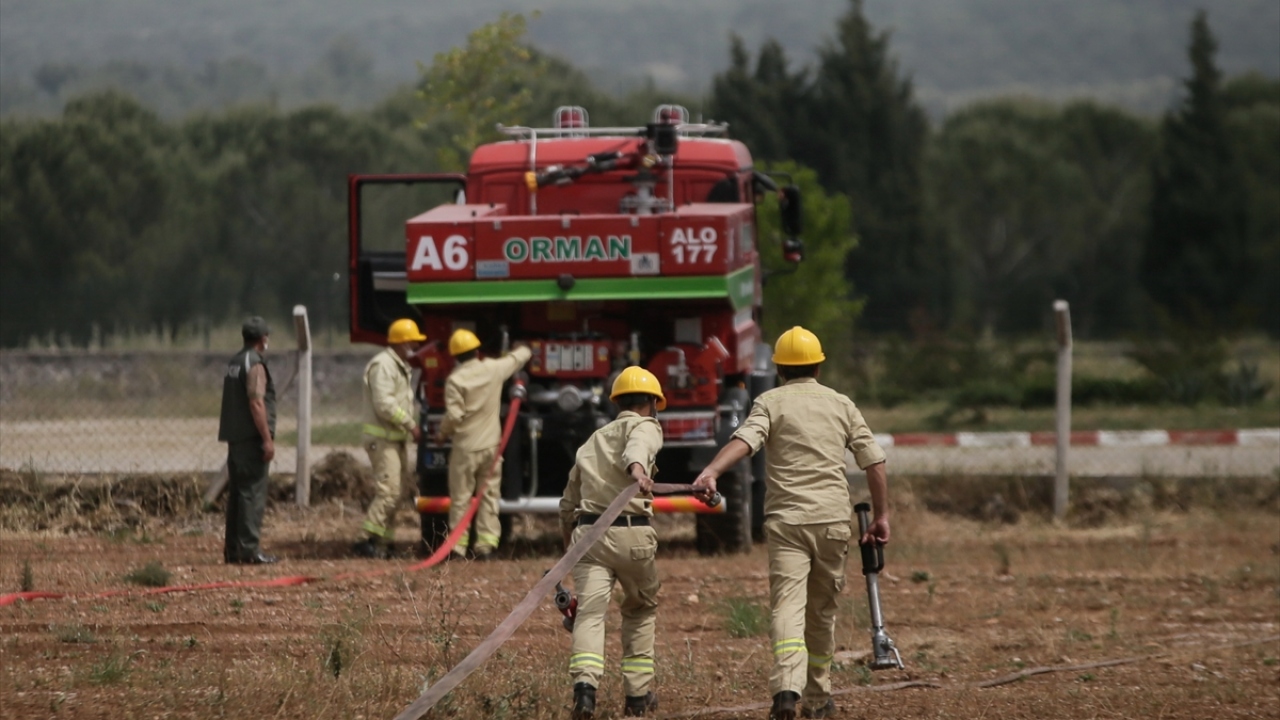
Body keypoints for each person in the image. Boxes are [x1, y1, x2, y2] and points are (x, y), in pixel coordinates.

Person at [692, 327, 890, 720]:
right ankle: (818, 699)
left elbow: (746, 441)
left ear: (779, 368)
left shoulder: (770, 402)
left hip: (786, 522)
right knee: (822, 612)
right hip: (832, 522)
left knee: (787, 606)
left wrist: (711, 470)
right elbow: (875, 463)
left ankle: (786, 690)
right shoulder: (840, 403)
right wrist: (882, 515)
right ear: (818, 365)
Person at [559, 366, 667, 719]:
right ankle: (637, 696)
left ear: (616, 402)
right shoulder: (646, 426)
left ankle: (585, 692)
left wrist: (569, 550)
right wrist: (637, 469)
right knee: (638, 609)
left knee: (589, 615)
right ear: (652, 402)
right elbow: (639, 445)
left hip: (588, 538)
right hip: (632, 535)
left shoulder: (593, 440)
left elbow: (567, 505)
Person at [439, 329, 532, 560]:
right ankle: (486, 546)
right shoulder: (492, 369)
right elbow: (518, 357)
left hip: (465, 449)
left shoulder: (455, 380)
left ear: (455, 357)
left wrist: (442, 434)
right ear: (477, 351)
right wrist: (522, 347)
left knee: (461, 498)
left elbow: (454, 416)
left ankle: (458, 547)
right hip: (491, 448)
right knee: (489, 496)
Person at [352, 318, 426, 559]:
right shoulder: (384, 365)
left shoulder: (397, 365)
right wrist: (410, 424)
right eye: (413, 341)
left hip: (394, 438)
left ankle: (383, 544)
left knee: (396, 491)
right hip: (383, 439)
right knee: (389, 491)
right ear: (402, 342)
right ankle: (365, 540)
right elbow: (384, 404)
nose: (415, 344)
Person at [217, 316, 279, 565]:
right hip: (251, 438)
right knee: (252, 493)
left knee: (238, 494)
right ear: (262, 339)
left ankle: (233, 549)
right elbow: (256, 401)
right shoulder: (254, 364)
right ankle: (249, 550)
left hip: (235, 437)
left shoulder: (235, 361)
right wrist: (267, 439)